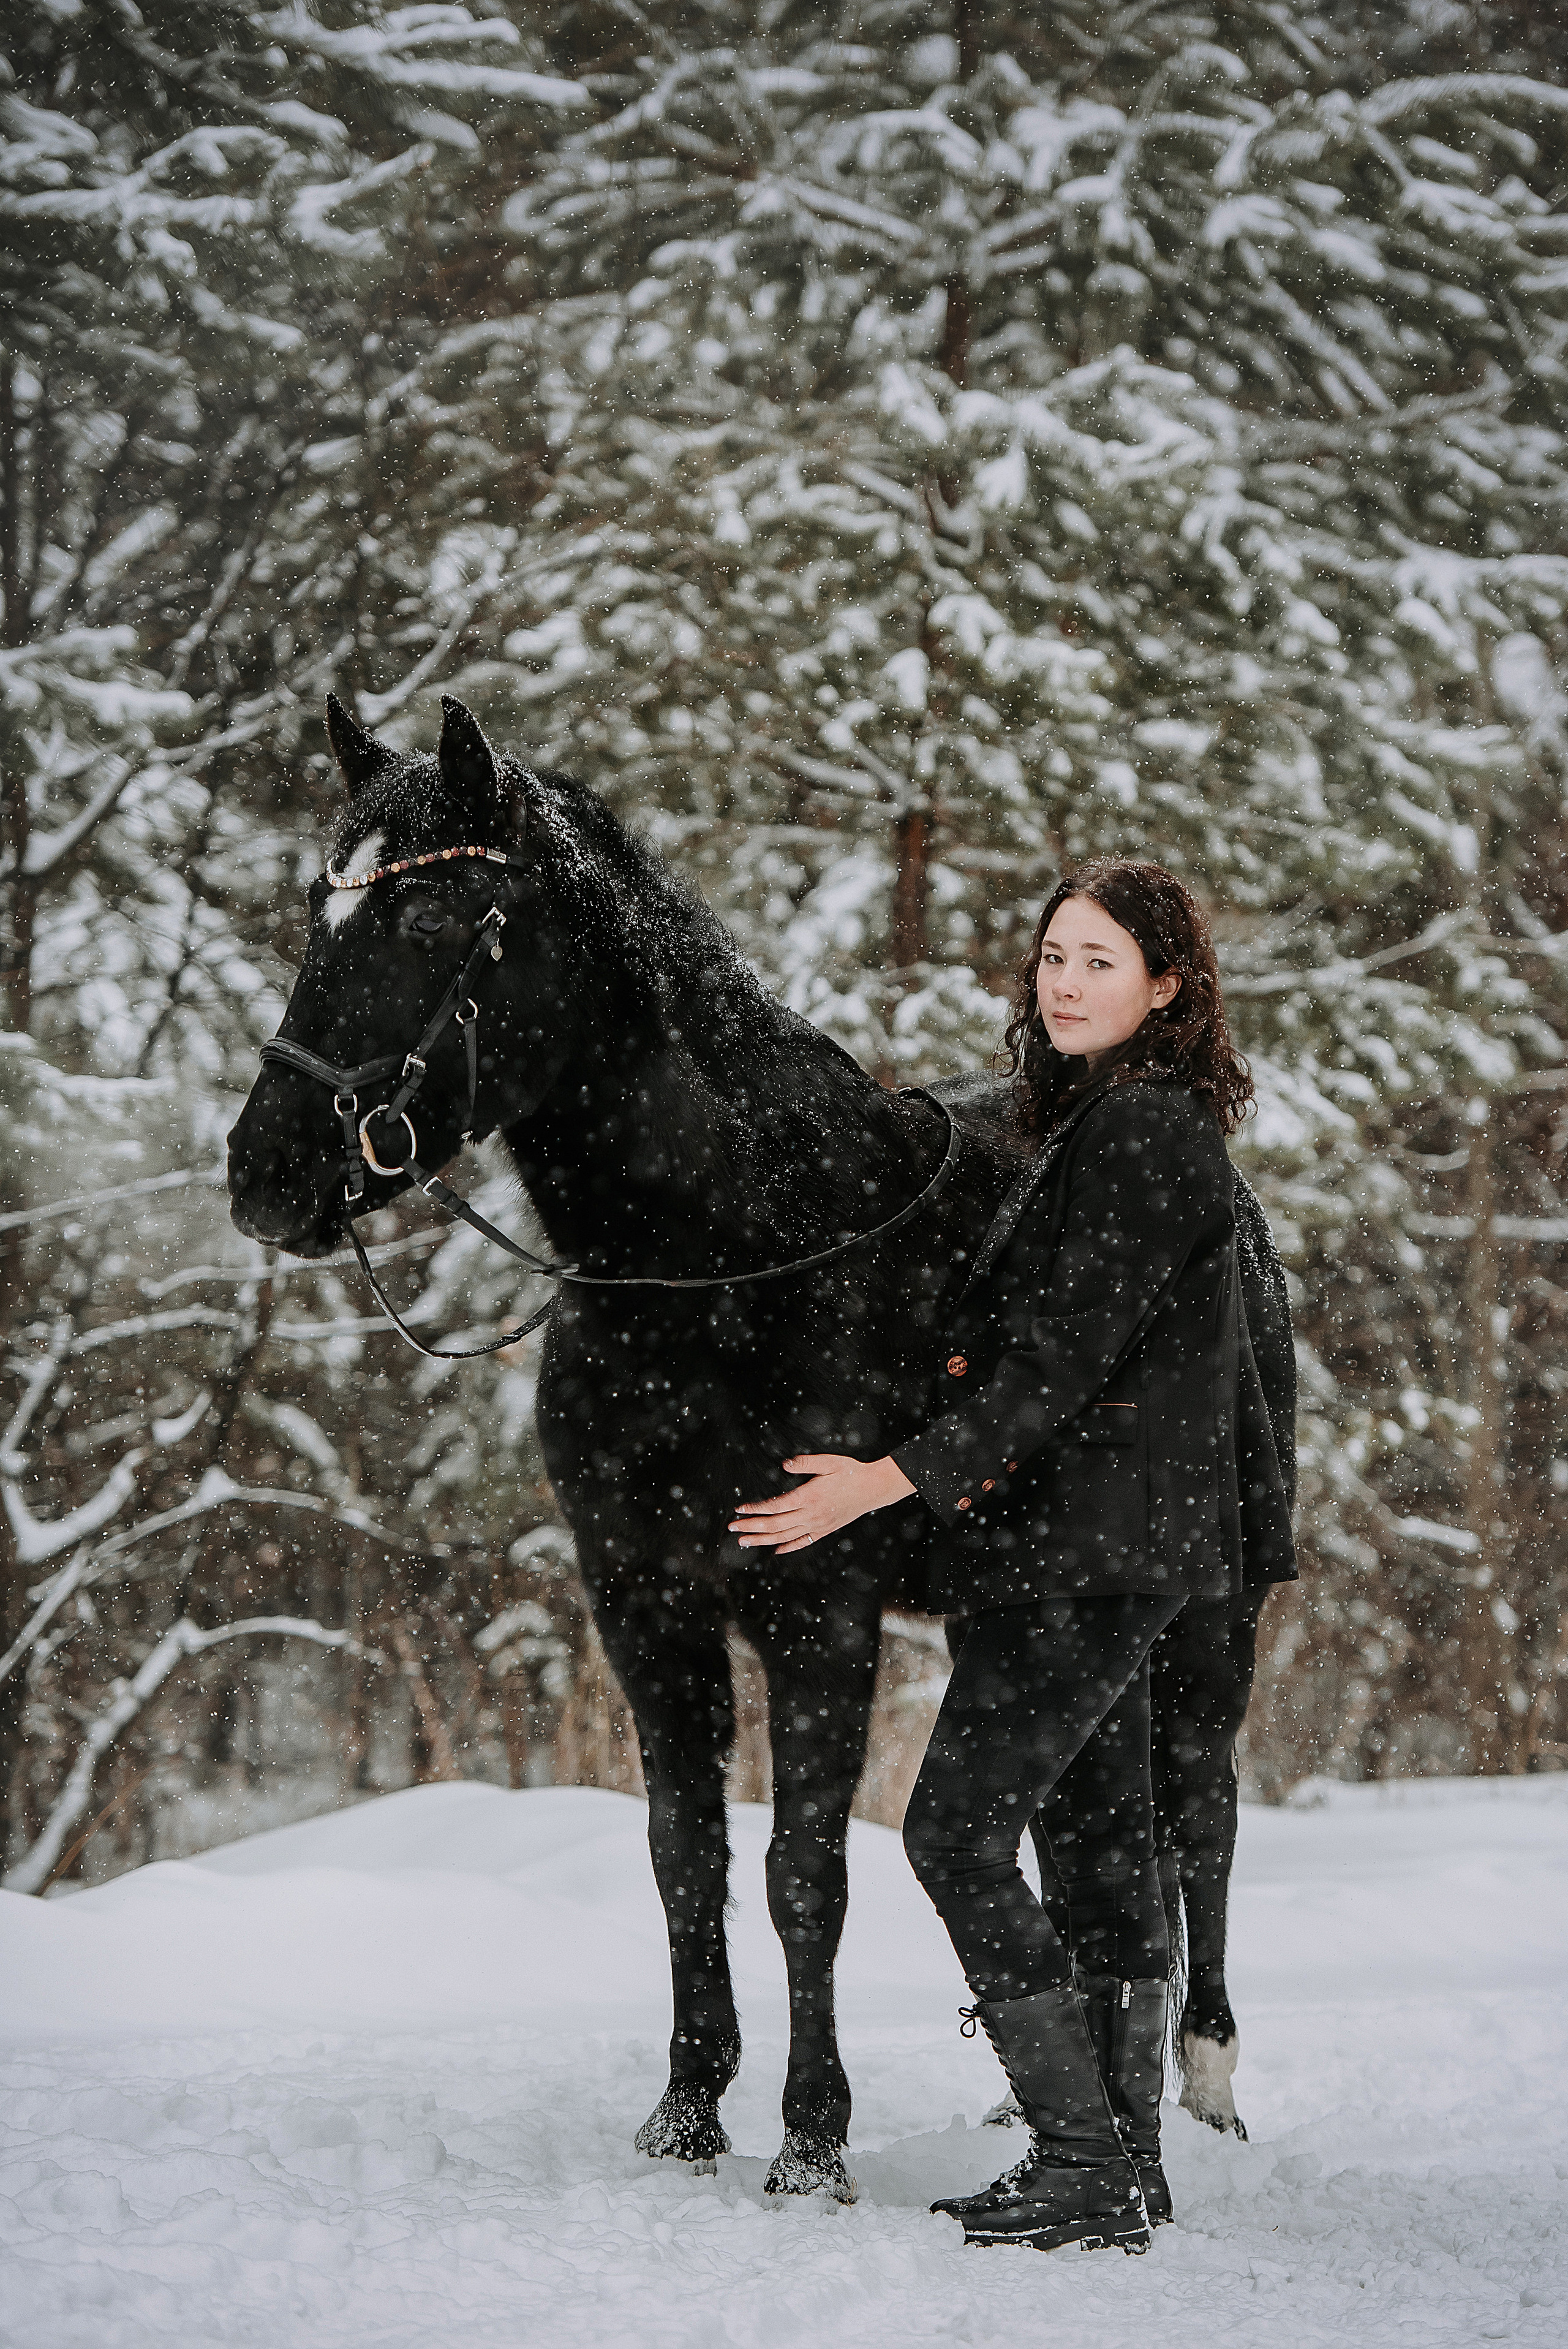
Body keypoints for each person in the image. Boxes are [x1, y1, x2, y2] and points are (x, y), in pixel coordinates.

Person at [731, 858, 1296, 2255]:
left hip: (1089, 1549)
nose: (1062, 980)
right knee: (1093, 1845)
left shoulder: (1143, 1135)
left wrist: (885, 1478)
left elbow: (1057, 1362)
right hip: (1091, 1544)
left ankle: (1079, 2158)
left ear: (1166, 986)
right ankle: (1124, 2169)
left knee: (953, 1834)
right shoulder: (1099, 1125)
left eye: (1098, 960)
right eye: (1052, 954)